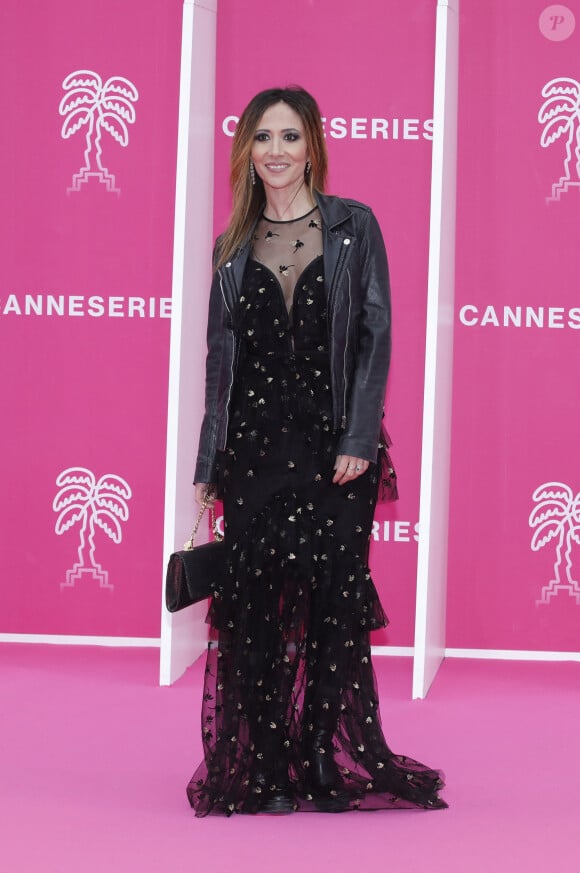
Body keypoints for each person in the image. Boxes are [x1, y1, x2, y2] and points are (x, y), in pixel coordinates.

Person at [189, 86, 446, 816]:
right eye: (263, 137)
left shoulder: (353, 227)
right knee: (258, 613)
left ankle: (322, 760)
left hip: (337, 450)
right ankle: (264, 766)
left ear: (312, 147)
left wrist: (360, 437)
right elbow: (220, 365)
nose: (276, 151)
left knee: (333, 608)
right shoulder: (231, 247)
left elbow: (376, 337)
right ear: (247, 150)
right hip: (256, 451)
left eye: (290, 137)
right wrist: (210, 466)